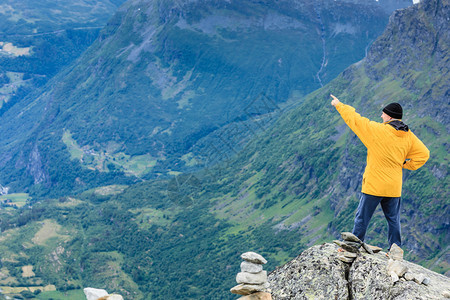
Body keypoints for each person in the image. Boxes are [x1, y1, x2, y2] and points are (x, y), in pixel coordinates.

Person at [330, 94, 429, 249]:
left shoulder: (376, 130)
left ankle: (352, 246)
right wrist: (405, 164)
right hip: (394, 187)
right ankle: (395, 249)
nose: (381, 115)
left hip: (374, 185)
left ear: (389, 116)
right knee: (393, 220)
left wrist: (338, 104)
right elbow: (424, 154)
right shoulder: (408, 136)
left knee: (362, 218)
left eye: (383, 113)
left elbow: (355, 120)